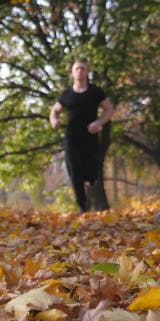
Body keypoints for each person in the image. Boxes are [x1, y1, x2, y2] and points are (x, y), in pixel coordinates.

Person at [49, 59, 114, 213]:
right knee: (75, 171)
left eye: (82, 68)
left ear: (87, 72)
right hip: (72, 136)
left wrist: (98, 123)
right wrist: (54, 120)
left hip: (90, 136)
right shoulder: (67, 94)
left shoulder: (95, 92)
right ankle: (82, 205)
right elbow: (55, 111)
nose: (80, 71)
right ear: (72, 72)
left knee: (92, 172)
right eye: (77, 68)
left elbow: (109, 110)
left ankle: (90, 181)